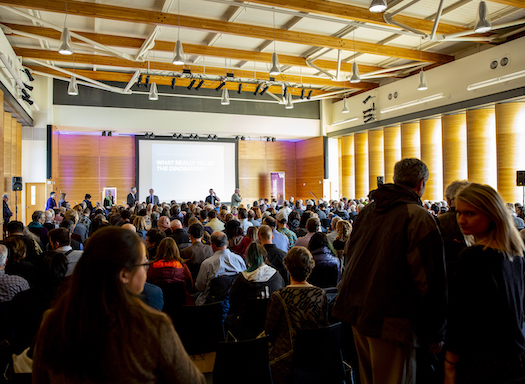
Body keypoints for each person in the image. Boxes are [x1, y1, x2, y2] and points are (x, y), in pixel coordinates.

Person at [32, 227, 206, 384]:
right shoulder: (153, 327)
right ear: (124, 274)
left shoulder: (53, 320)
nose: (146, 270)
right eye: (143, 264)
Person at [332, 158, 447, 384]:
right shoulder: (418, 217)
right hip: (392, 321)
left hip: (358, 313)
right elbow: (429, 279)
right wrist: (436, 331)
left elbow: (350, 257)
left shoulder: (367, 212)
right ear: (421, 183)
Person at [444, 183, 525, 384]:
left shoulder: (474, 257)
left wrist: (450, 361)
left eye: (470, 213)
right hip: (513, 357)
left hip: (481, 359)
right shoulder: (515, 256)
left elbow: (462, 315)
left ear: (492, 215)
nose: (461, 220)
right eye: (459, 213)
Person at [265, 246, 328, 384]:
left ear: (287, 267)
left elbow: (270, 331)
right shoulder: (320, 294)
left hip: (285, 360)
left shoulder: (279, 296)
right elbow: (323, 326)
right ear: (310, 268)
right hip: (316, 357)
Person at [226, 243, 285, 339]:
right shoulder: (276, 276)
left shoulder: (242, 279)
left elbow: (233, 303)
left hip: (245, 327)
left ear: (248, 259)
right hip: (272, 327)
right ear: (265, 257)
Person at [195, 231, 246, 305]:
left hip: (212, 304)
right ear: (227, 243)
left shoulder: (207, 264)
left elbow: (200, 287)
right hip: (235, 301)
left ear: (212, 246)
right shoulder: (239, 260)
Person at [147, 237, 194, 305]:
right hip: (181, 305)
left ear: (159, 249)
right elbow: (190, 285)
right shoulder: (182, 266)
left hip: (158, 303)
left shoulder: (152, 266)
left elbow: (148, 283)